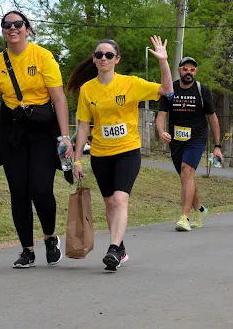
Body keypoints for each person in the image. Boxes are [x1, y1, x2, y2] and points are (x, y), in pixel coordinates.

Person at [0, 10, 72, 268]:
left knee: (40, 189)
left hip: (41, 130)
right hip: (11, 132)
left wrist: (65, 136)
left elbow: (58, 98)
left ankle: (50, 237)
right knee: (18, 191)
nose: (12, 28)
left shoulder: (43, 57)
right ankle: (27, 250)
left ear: (27, 29)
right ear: (3, 30)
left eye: (18, 24)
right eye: (7, 25)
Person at [68, 36, 173, 271]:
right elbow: (83, 126)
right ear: (94, 59)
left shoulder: (130, 84)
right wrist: (77, 160)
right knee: (109, 203)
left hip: (127, 151)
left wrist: (163, 61)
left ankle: (113, 249)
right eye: (99, 55)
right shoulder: (87, 89)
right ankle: (120, 247)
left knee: (119, 200)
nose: (103, 58)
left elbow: (167, 90)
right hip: (100, 154)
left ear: (117, 59)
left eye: (108, 55)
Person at [155, 56, 222, 231]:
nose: (189, 72)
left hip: (197, 137)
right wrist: (161, 131)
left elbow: (213, 118)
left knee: (187, 171)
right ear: (179, 71)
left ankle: (184, 218)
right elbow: (161, 116)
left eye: (192, 69)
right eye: (185, 69)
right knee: (186, 177)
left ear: (195, 72)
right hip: (176, 140)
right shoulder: (170, 89)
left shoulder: (202, 90)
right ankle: (200, 210)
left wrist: (217, 146)